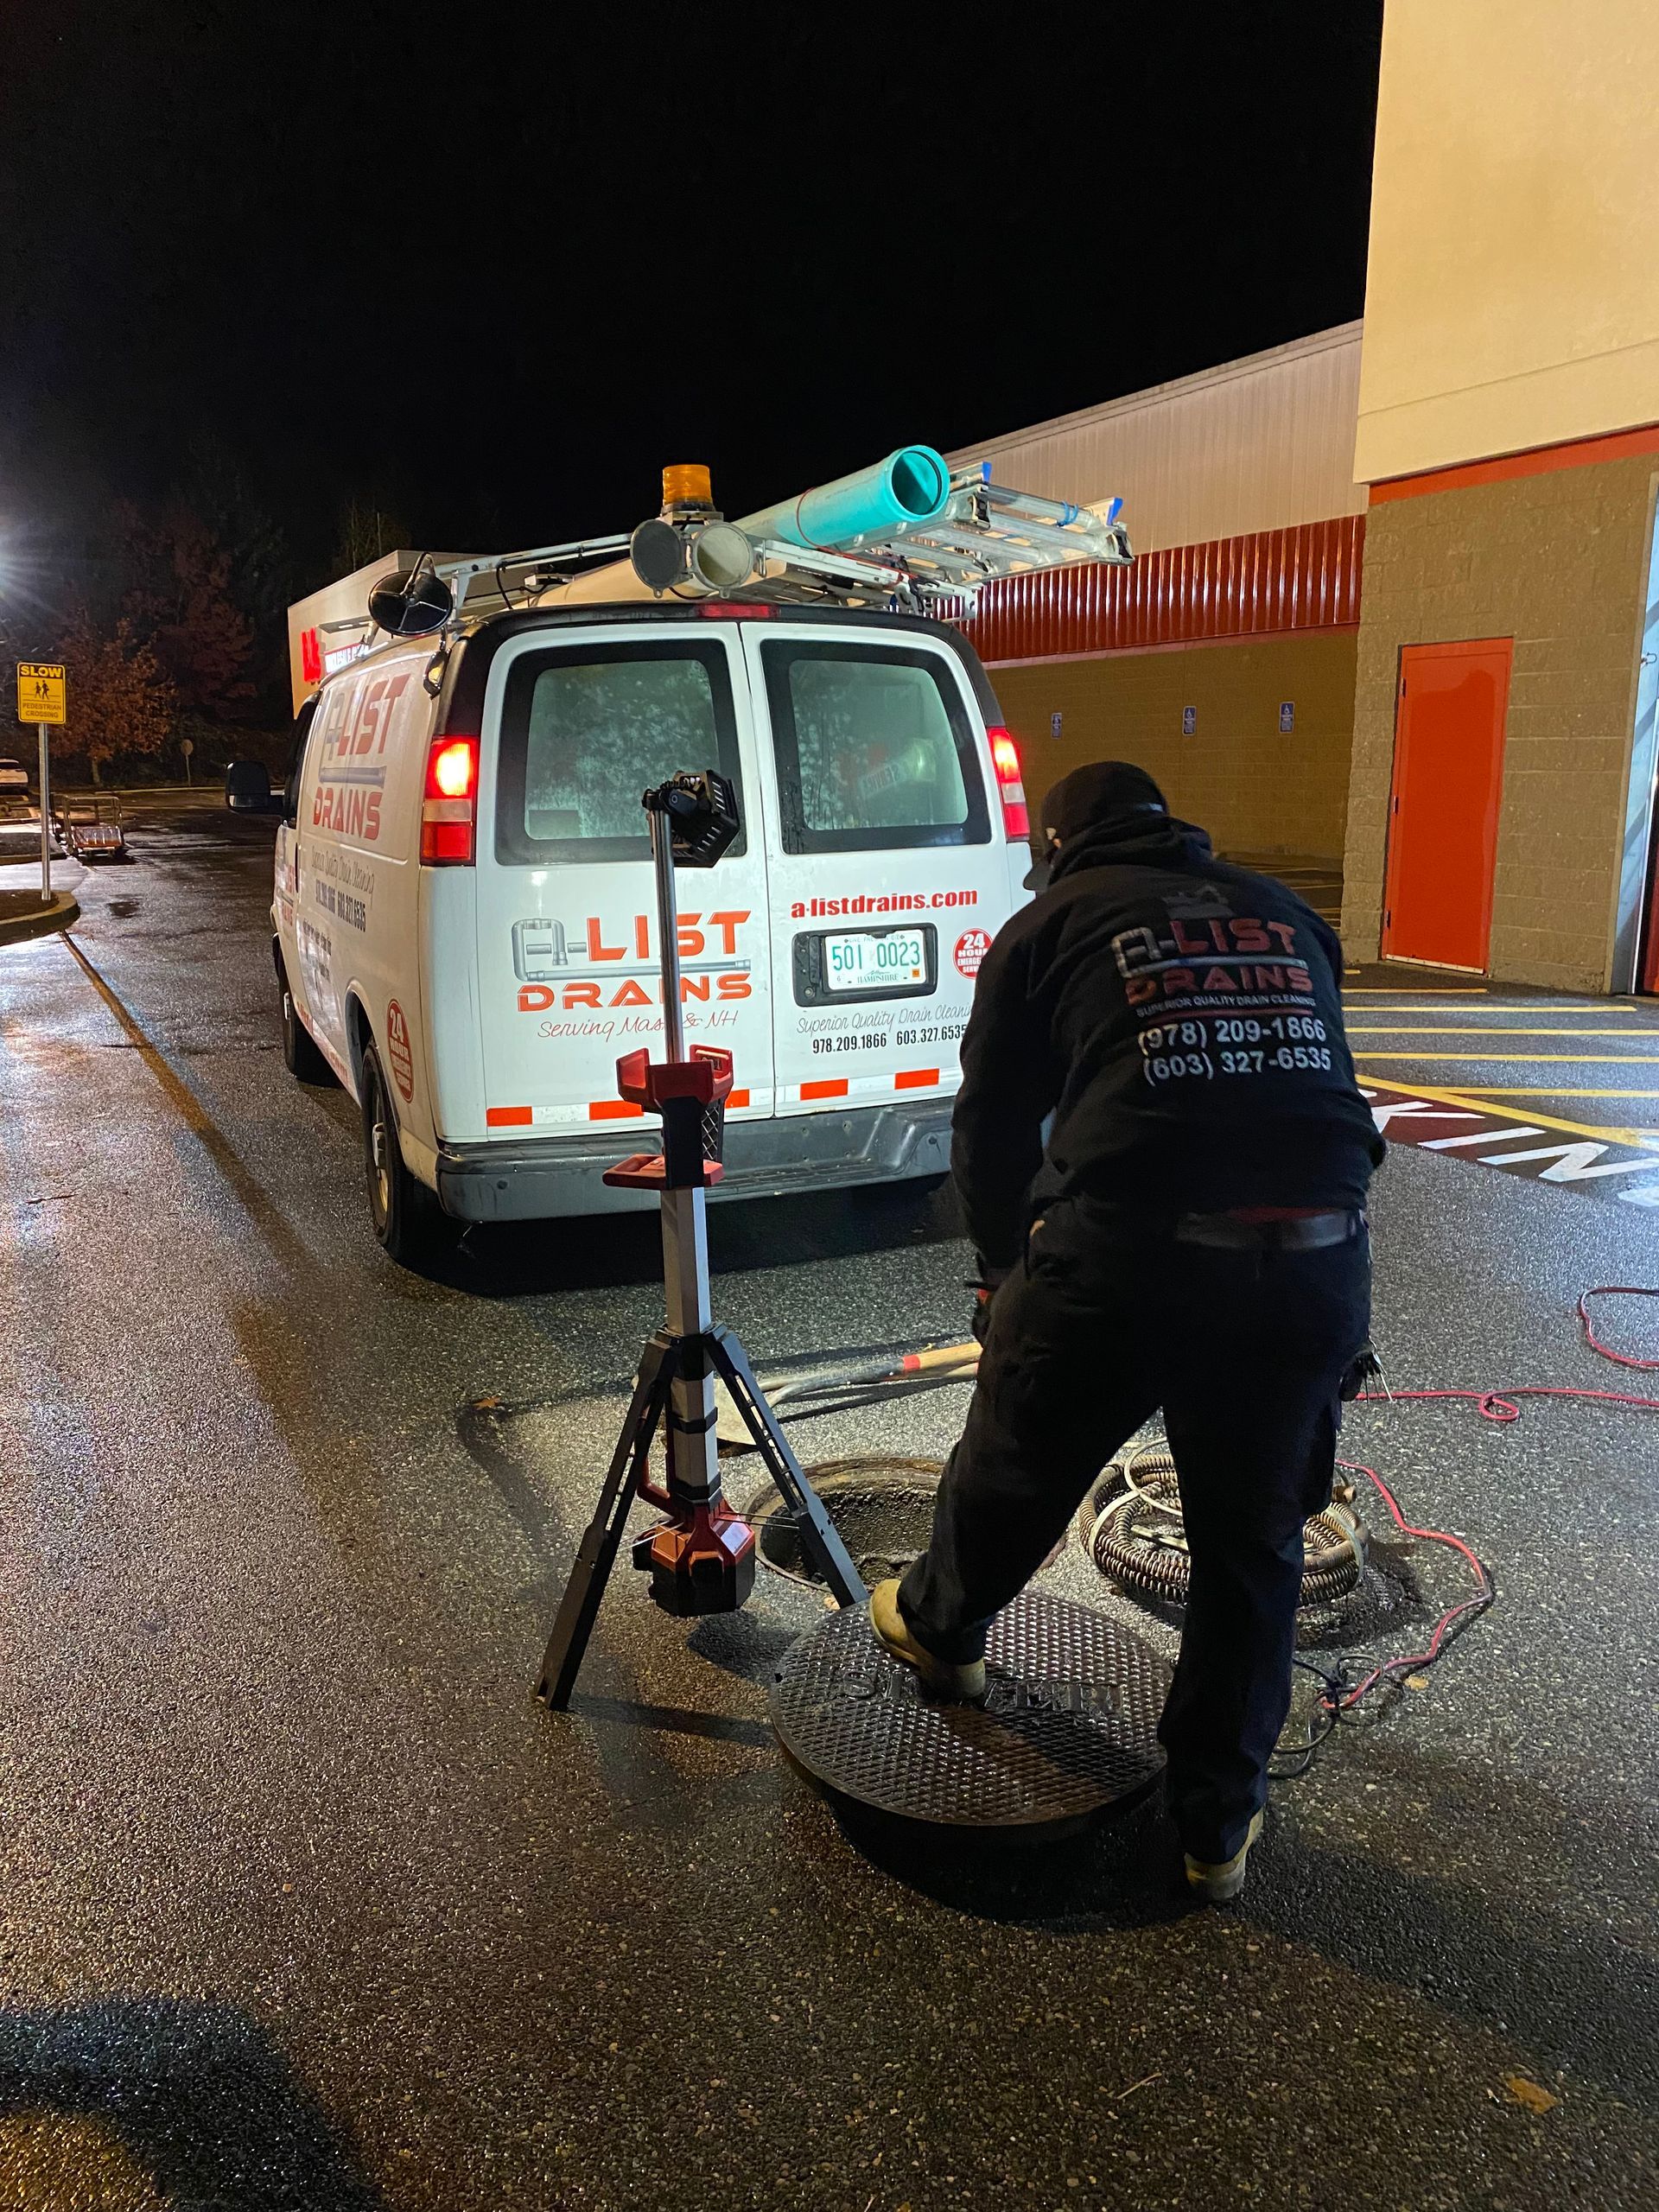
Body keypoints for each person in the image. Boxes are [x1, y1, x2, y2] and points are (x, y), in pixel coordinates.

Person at [869, 761, 1382, 1902]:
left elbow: (994, 1126)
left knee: (1016, 1458)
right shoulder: (1289, 916)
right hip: (1312, 1262)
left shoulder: (1048, 923)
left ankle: (941, 1631)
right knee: (1252, 1552)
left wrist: (1004, 1273)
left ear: (1058, 845)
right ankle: (1216, 1829)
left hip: (1130, 1256)